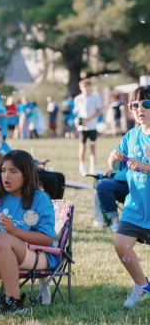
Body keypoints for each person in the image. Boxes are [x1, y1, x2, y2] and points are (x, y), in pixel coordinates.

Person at [0, 150, 57, 317]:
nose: (6, 176)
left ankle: (14, 302)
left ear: (27, 175)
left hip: (38, 255)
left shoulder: (40, 198)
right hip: (6, 254)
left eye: (13, 171)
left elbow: (46, 239)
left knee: (1, 237)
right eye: (3, 170)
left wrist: (14, 230)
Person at [108, 86, 150, 309]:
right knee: (121, 245)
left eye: (146, 104)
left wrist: (145, 166)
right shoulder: (131, 136)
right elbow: (113, 164)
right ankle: (141, 285)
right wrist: (114, 158)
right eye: (135, 105)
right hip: (135, 206)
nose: (140, 109)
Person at [0, 117, 65, 200]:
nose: (2, 131)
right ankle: (45, 208)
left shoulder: (2, 142)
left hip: (21, 168)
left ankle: (55, 210)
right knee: (51, 180)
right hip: (14, 173)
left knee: (59, 177)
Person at [74, 80, 103, 175]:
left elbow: (98, 111)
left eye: (88, 86)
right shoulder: (78, 98)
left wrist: (88, 119)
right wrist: (77, 121)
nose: (86, 88)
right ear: (81, 87)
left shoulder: (95, 97)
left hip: (92, 127)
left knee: (92, 146)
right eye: (84, 86)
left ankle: (92, 167)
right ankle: (82, 165)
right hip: (82, 128)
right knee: (82, 147)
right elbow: (78, 113)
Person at [96, 165, 129, 232]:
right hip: (121, 181)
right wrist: (112, 168)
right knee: (103, 185)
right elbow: (119, 158)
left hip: (141, 182)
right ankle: (115, 222)